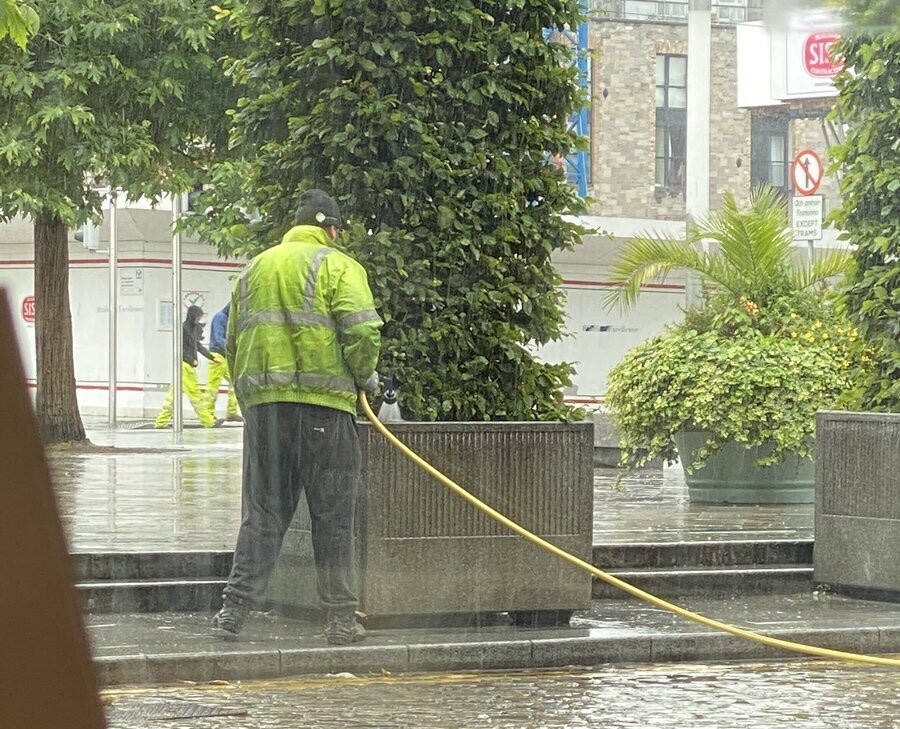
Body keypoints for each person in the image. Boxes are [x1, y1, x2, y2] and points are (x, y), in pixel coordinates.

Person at [213, 189, 382, 645]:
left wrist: (252, 401)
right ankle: (340, 620)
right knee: (333, 515)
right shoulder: (339, 265)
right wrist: (364, 376)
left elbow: (232, 340)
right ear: (332, 230)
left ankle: (233, 610)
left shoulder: (254, 269)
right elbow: (363, 331)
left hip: (266, 409)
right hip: (325, 408)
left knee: (263, 513)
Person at [154, 304, 218, 429]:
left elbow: (198, 346)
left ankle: (161, 422)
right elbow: (180, 348)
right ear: (193, 316)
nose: (199, 320)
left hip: (183, 366)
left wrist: (211, 357)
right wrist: (191, 360)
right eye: (198, 317)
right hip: (185, 366)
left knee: (172, 397)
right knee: (195, 395)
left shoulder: (192, 329)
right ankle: (209, 421)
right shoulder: (183, 329)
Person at [206, 303, 242, 422]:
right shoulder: (220, 317)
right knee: (213, 386)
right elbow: (218, 338)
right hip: (217, 355)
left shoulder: (227, 319)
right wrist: (233, 349)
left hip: (224, 356)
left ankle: (232, 412)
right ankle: (208, 415)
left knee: (234, 383)